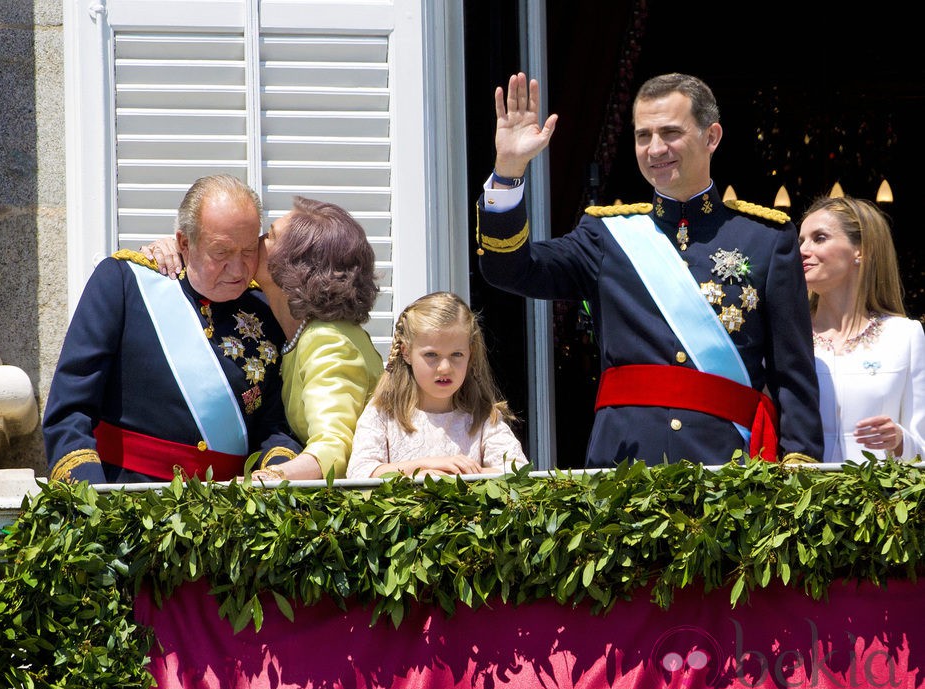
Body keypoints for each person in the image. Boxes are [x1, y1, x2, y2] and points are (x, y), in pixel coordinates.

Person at [475, 71, 823, 467]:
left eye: (670, 133)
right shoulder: (605, 236)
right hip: (623, 468)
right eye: (643, 136)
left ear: (712, 137)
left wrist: (801, 467)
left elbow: (792, 372)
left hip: (729, 470)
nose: (655, 148)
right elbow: (508, 268)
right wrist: (508, 170)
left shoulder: (766, 240)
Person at [43, 174, 302, 483]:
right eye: (221, 253)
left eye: (248, 251)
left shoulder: (263, 309)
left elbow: (273, 426)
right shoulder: (125, 283)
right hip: (126, 500)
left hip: (227, 514)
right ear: (184, 243)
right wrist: (90, 501)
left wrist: (276, 476)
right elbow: (70, 411)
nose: (238, 269)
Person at [144, 196, 384, 480]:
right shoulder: (301, 331)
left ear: (296, 265)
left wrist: (264, 481)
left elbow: (333, 448)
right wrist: (182, 248)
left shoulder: (327, 339)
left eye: (269, 235)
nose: (256, 240)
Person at [347, 291, 528, 479]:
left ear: (470, 355)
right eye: (431, 355)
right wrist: (423, 467)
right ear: (406, 353)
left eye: (456, 355)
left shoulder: (482, 417)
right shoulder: (383, 413)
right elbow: (359, 473)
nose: (445, 368)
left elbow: (519, 472)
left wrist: (459, 477)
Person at [799, 195, 925, 462]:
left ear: (861, 250)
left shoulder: (905, 336)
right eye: (801, 241)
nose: (803, 250)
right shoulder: (788, 335)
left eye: (819, 238)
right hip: (797, 497)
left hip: (880, 499)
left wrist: (900, 440)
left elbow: (922, 447)